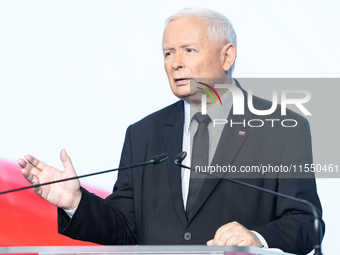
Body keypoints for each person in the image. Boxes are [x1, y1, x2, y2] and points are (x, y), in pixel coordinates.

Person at [18, 7, 324, 255]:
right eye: (168, 53)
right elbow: (125, 227)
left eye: (188, 50)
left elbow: (306, 221)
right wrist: (75, 202)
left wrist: (257, 238)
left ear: (227, 56)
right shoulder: (143, 134)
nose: (175, 63)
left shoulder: (282, 128)